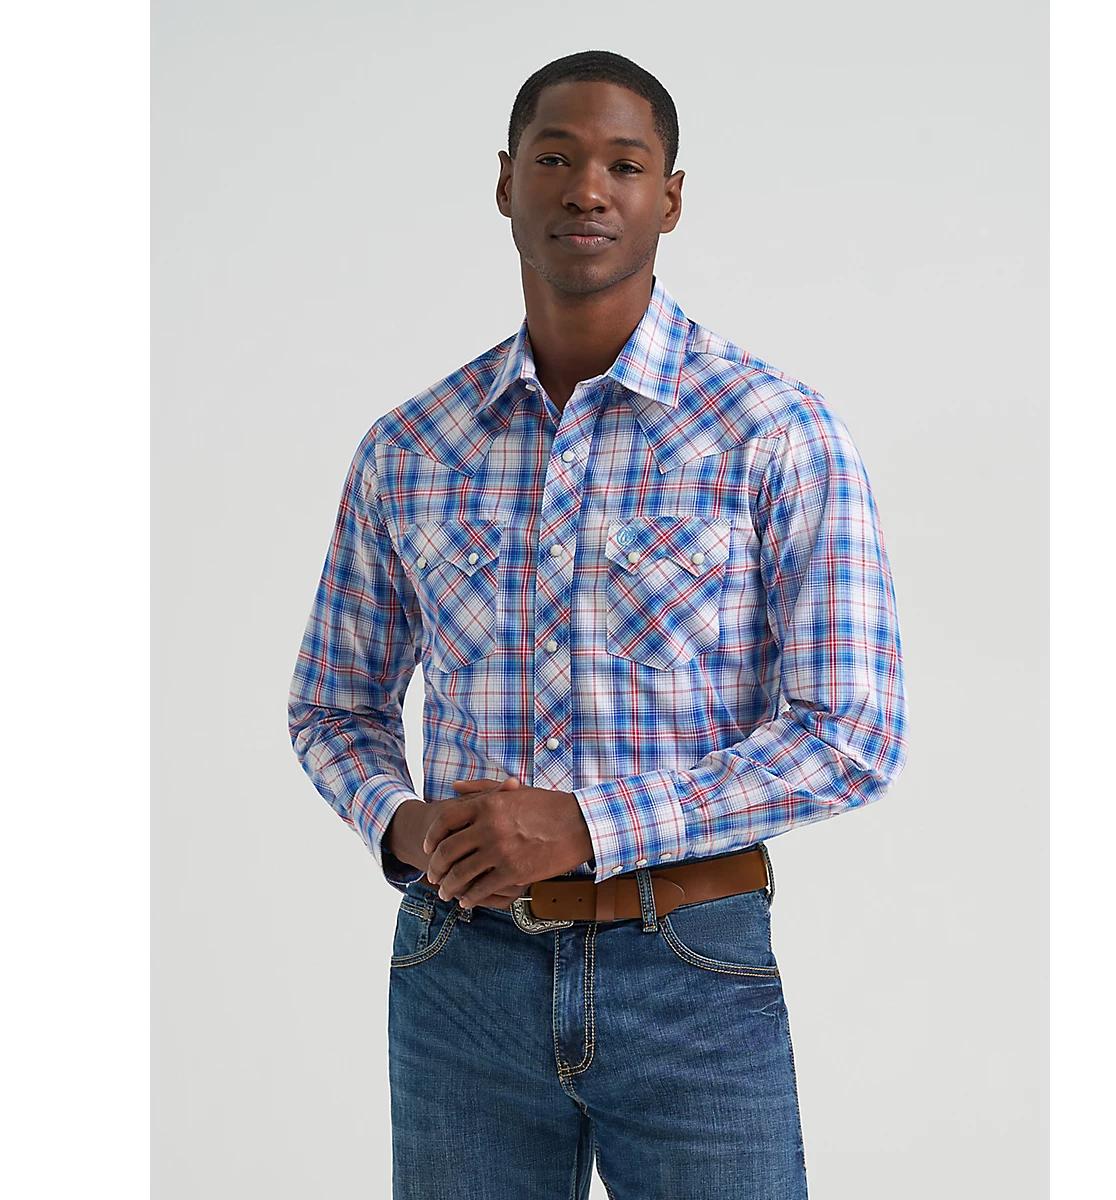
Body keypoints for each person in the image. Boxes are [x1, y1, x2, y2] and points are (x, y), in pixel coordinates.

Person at [287, 48, 908, 1200]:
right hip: (458, 974)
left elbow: (850, 731)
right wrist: (406, 827)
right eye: (555, 158)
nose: (587, 188)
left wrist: (588, 826)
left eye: (624, 165)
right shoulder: (411, 447)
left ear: (670, 197)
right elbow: (333, 704)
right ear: (505, 182)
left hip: (690, 970)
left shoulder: (776, 431)